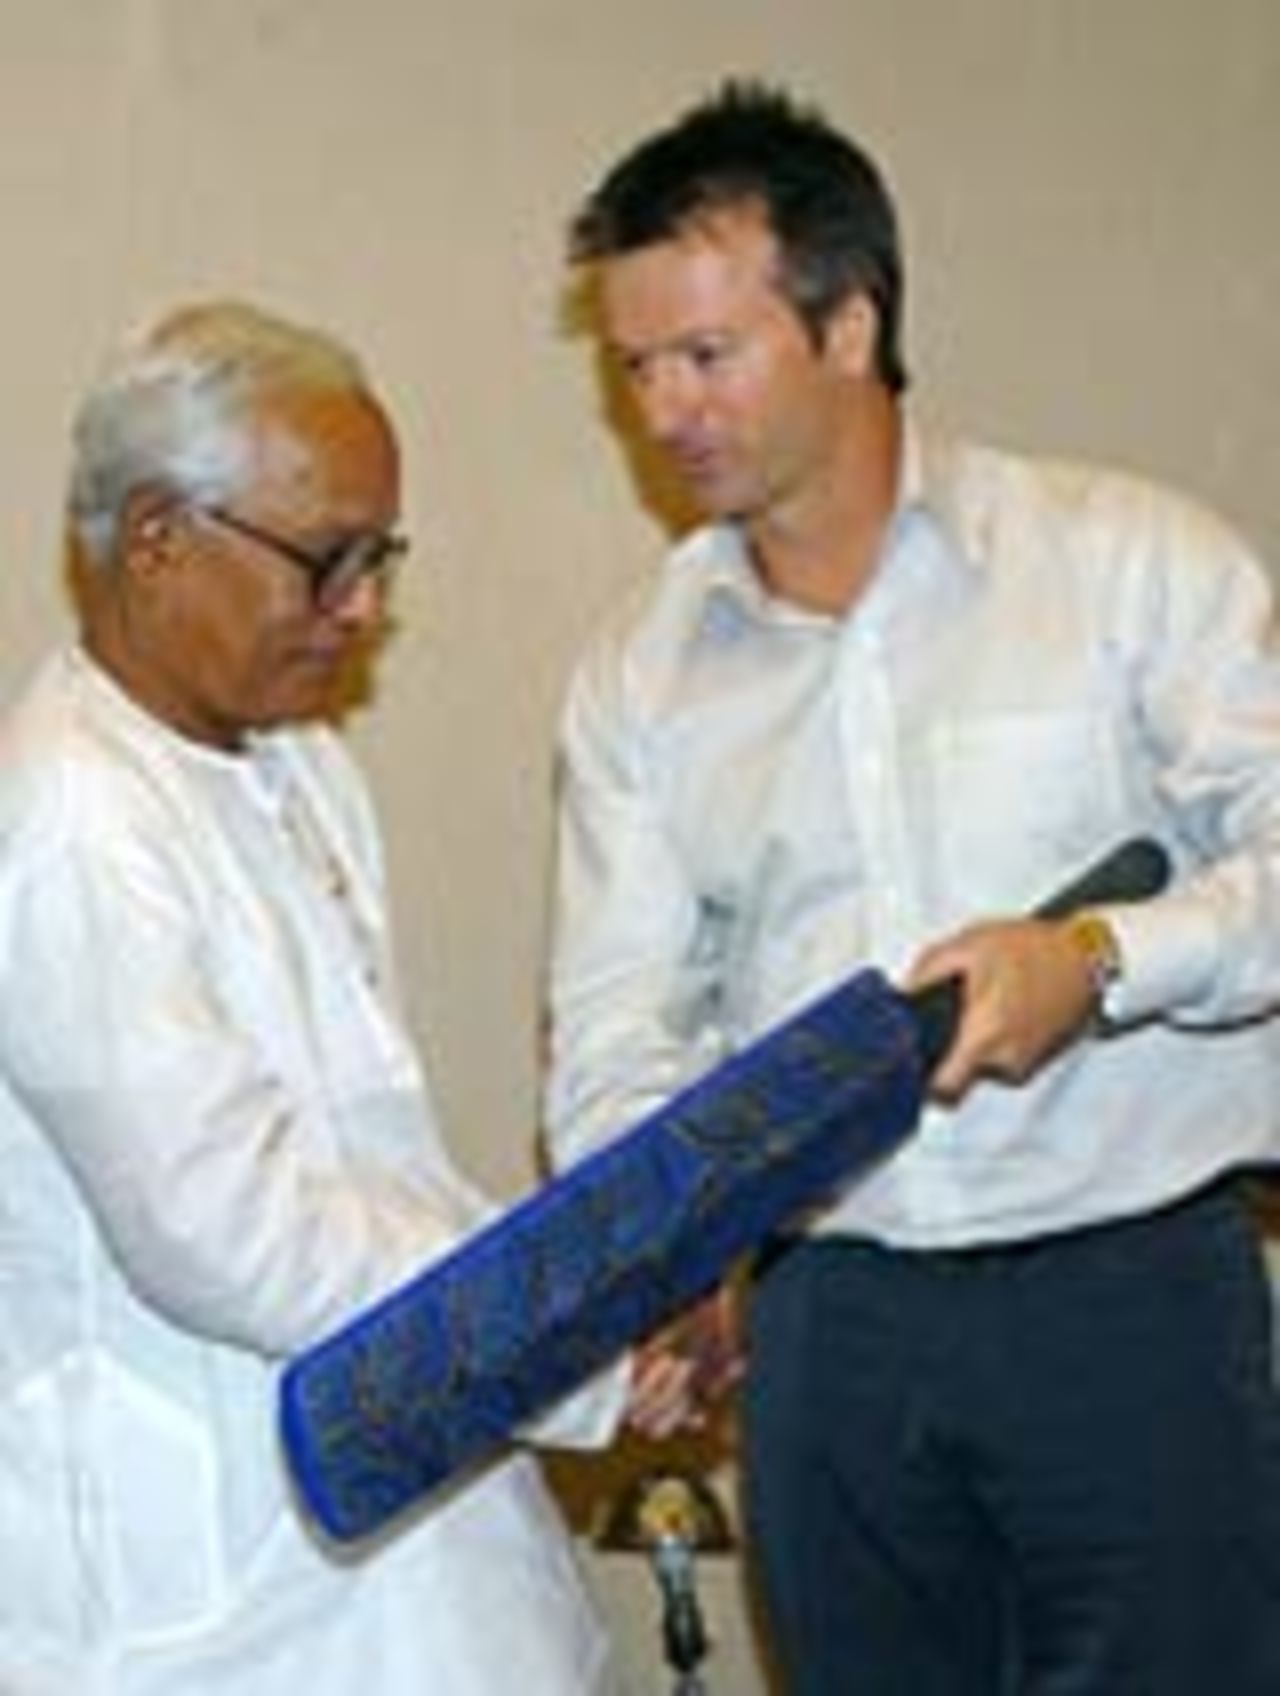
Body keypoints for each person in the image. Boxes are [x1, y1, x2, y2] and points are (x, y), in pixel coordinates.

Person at [545, 82, 1280, 1694]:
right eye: (635, 367)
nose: (665, 409)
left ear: (851, 321)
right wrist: (673, 1250)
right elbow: (614, 1032)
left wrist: (1094, 957)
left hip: (1129, 1295)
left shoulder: (1129, 563)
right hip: (830, 1325)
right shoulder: (638, 678)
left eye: (707, 356)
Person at [0, 300, 622, 1695]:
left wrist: (600, 1294)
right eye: (328, 560)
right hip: (217, 1599)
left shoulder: (296, 770)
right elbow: (230, 1231)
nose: (365, 609)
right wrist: (577, 1347)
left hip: (404, 1547)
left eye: (380, 559)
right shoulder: (73, 823)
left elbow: (378, 1159)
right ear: (158, 541)